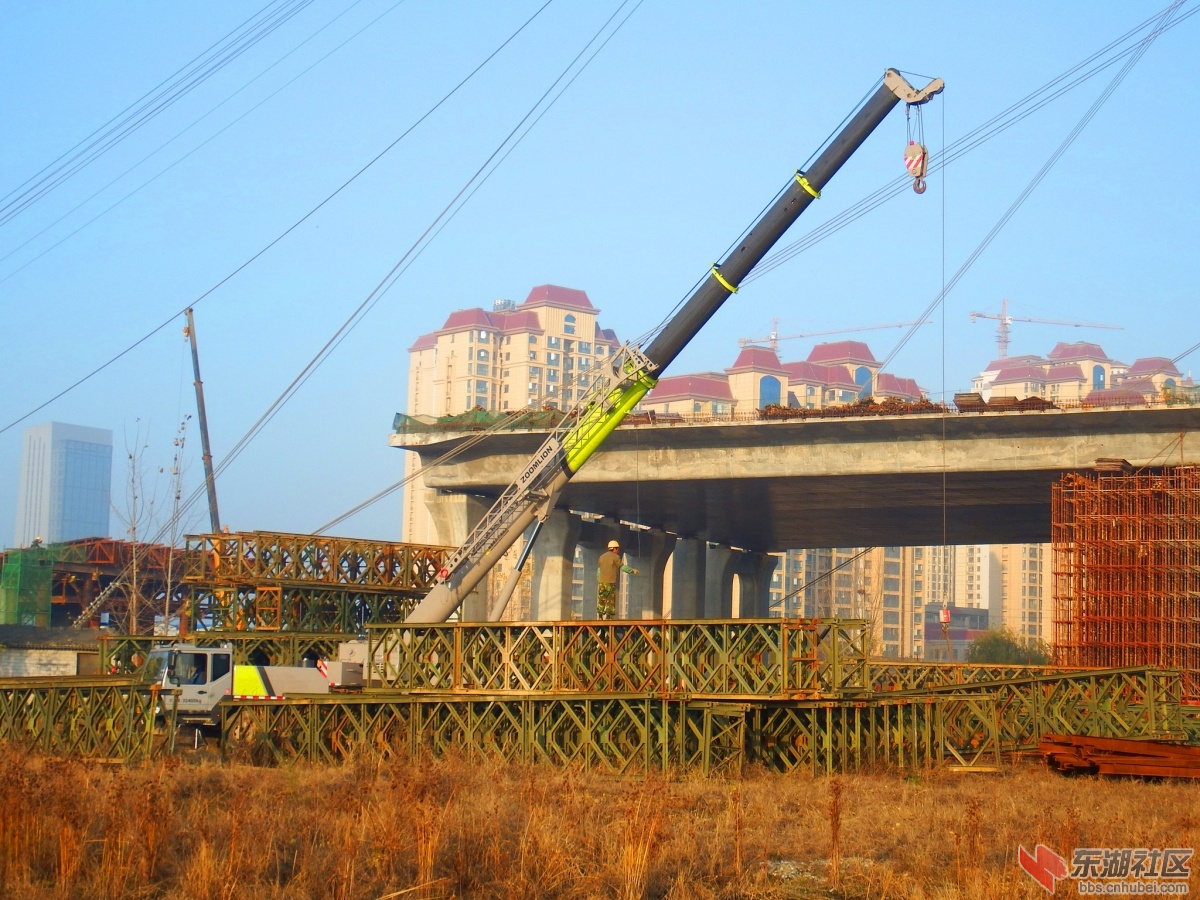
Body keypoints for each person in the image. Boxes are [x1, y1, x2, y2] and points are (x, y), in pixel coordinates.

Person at [597, 540, 638, 620]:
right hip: (610, 582)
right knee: (610, 600)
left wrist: (599, 579)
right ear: (614, 549)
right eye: (617, 549)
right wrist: (632, 571)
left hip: (601, 582)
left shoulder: (601, 557)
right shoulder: (615, 557)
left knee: (601, 599)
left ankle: (600, 616)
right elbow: (622, 567)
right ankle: (608, 617)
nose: (618, 550)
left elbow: (599, 570)